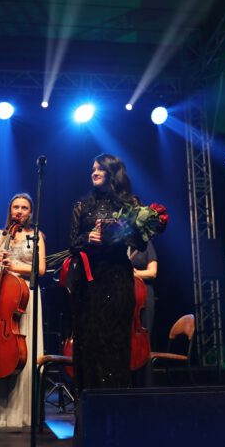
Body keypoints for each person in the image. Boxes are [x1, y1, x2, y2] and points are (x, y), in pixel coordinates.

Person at [69, 154, 146, 402]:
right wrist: (87, 238)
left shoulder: (131, 204)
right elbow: (73, 244)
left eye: (99, 168)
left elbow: (140, 243)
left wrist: (113, 236)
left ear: (112, 172)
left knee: (114, 342)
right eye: (92, 168)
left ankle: (116, 408)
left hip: (117, 279)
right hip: (89, 282)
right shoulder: (82, 205)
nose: (94, 172)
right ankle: (88, 410)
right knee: (89, 343)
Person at [0, 193, 45, 429]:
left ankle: (23, 413)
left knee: (25, 349)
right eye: (16, 207)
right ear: (10, 210)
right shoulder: (0, 235)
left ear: (30, 212)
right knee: (0, 347)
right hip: (3, 294)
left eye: (24, 208)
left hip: (26, 295)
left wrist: (14, 265)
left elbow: (40, 269)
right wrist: (0, 263)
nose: (19, 211)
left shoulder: (36, 236)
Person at [129, 240, 157, 386]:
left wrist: (135, 273)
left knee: (143, 340)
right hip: (127, 296)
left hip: (144, 296)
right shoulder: (121, 246)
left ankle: (145, 385)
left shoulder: (146, 245)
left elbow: (153, 272)